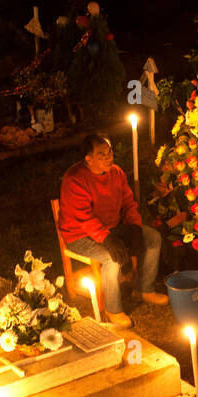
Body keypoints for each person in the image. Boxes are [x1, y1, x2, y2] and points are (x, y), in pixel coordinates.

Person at [58, 134, 168, 328]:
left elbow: (127, 202)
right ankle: (113, 309)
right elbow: (84, 218)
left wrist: (134, 226)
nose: (109, 158)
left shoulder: (116, 173)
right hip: (80, 235)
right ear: (88, 158)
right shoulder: (74, 180)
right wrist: (106, 239)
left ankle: (146, 288)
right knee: (111, 257)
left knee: (152, 237)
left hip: (111, 229)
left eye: (110, 153)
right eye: (102, 154)